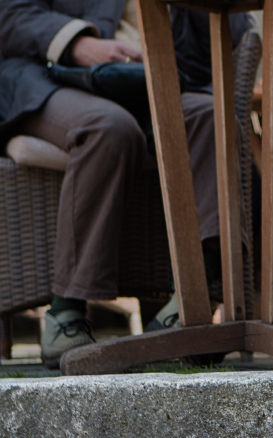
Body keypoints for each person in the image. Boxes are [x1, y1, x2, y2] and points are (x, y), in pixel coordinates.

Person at [0, 1, 251, 368]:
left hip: (152, 83)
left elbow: (225, 38)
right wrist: (76, 43)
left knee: (212, 118)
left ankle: (191, 310)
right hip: (49, 78)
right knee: (109, 128)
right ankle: (65, 312)